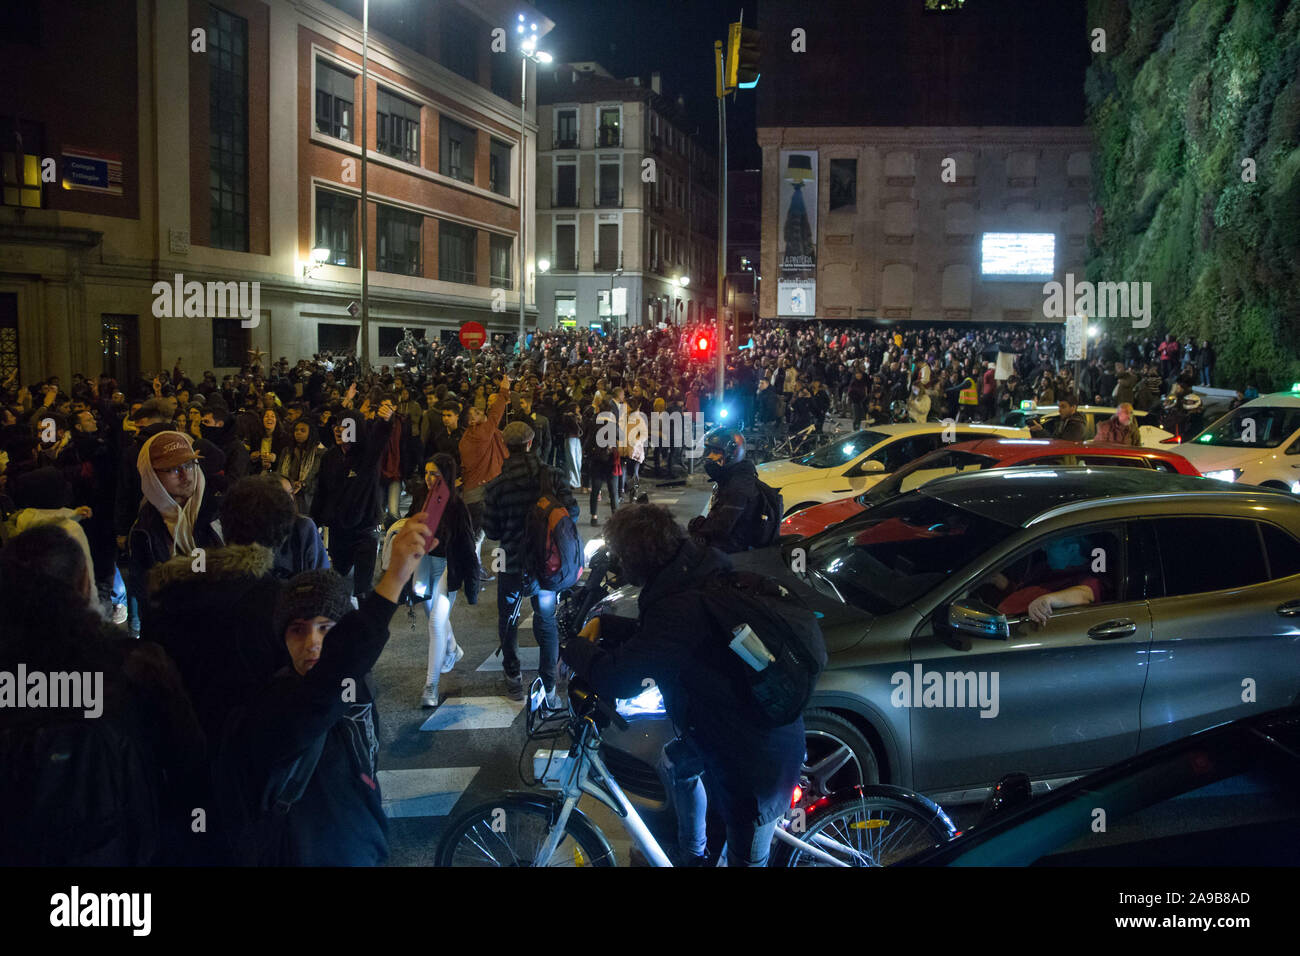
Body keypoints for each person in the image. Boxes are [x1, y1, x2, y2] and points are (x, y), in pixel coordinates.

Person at [561, 504, 805, 867]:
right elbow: (664, 641)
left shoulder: (679, 602)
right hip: (722, 730)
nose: (618, 565)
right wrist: (607, 627)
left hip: (756, 758)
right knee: (676, 763)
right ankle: (693, 853)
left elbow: (622, 678)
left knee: (746, 855)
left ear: (637, 557)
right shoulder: (691, 571)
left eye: (620, 556)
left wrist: (573, 648)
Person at [219, 519, 433, 866]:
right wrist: (393, 581)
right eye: (298, 630)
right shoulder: (279, 706)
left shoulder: (357, 689)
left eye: (325, 628)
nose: (313, 643)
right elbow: (326, 686)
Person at [482, 420, 579, 702]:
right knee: (546, 618)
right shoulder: (553, 476)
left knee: (508, 617)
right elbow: (571, 513)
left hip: (512, 561)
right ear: (531, 443)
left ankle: (513, 676)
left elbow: (492, 531)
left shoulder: (496, 486)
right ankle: (548, 682)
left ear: (505, 447)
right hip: (547, 562)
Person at [403, 453, 479, 708]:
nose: (428, 478)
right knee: (434, 616)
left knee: (436, 622)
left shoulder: (457, 507)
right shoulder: (420, 499)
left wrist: (472, 584)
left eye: (434, 473)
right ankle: (453, 649)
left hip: (449, 567)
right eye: (426, 472)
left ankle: (430, 686)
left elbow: (468, 546)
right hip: (424, 566)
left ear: (446, 475)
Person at [311, 401, 396, 601]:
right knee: (339, 576)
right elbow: (321, 492)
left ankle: (364, 623)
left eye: (345, 426)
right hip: (339, 529)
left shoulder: (366, 454)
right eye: (336, 427)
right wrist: (313, 523)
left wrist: (385, 421)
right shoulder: (329, 457)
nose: (340, 431)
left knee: (363, 586)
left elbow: (379, 439)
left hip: (366, 529)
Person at [982, 535, 1103, 625]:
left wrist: (1048, 600)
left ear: (1072, 549)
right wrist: (1003, 583)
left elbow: (1084, 594)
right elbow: (1026, 592)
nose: (1044, 548)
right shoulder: (1045, 567)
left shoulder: (1088, 577)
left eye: (1051, 545)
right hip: (999, 620)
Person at [460, 375, 511, 580]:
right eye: (478, 412)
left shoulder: (467, 438)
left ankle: (472, 569)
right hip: (479, 493)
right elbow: (496, 415)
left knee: (476, 533)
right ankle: (473, 571)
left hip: (474, 491)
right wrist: (503, 391)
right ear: (472, 421)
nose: (483, 413)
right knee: (477, 535)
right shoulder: (480, 434)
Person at [687, 428, 764, 554]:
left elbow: (720, 527)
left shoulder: (738, 486)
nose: (710, 456)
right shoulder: (730, 477)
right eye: (710, 451)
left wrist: (697, 525)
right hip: (727, 544)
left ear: (732, 454)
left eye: (716, 452)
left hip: (735, 553)